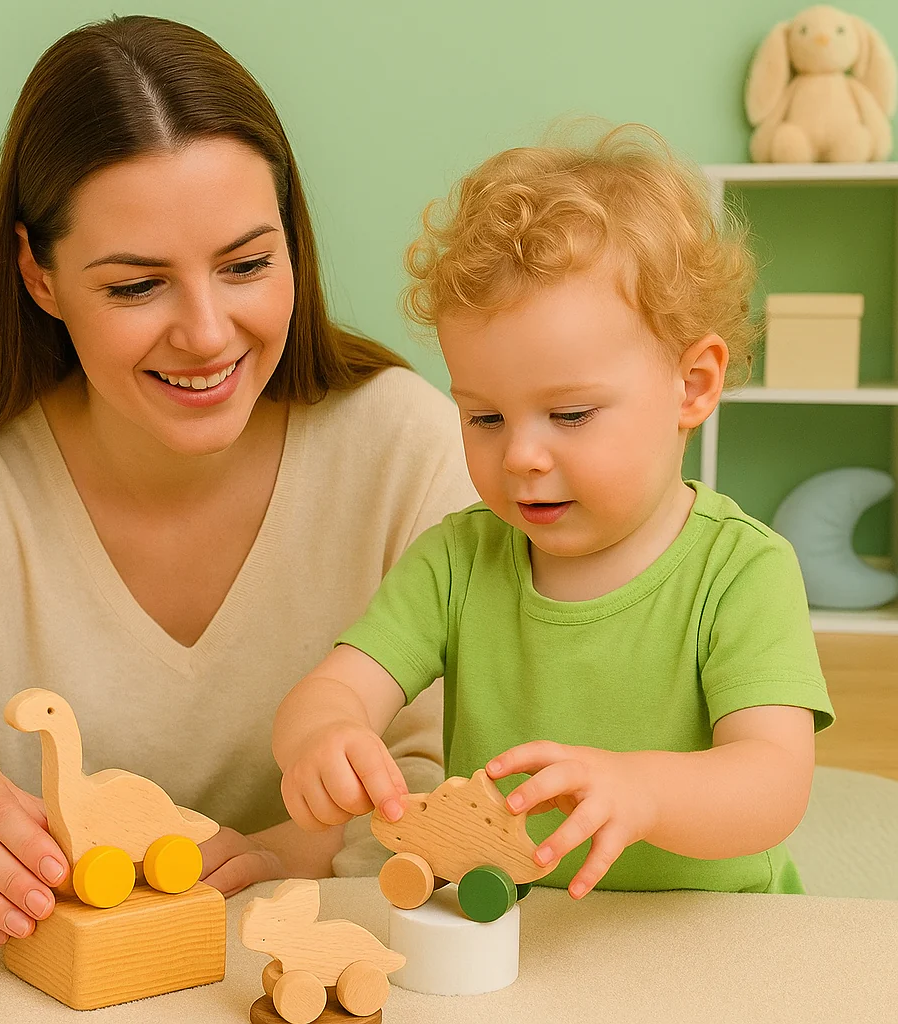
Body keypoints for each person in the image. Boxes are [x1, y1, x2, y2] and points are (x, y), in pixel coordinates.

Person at [0, 15, 475, 947]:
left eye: (246, 265)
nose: (206, 333)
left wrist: (299, 851)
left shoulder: (406, 447)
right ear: (38, 273)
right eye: (135, 286)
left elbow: (462, 780)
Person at [272, 125, 836, 898]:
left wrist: (645, 793)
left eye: (569, 415)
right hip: (516, 931)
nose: (520, 458)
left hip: (709, 937)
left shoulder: (742, 571)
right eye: (484, 418)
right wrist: (322, 737)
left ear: (693, 384)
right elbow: (334, 689)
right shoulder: (457, 561)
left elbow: (773, 782)